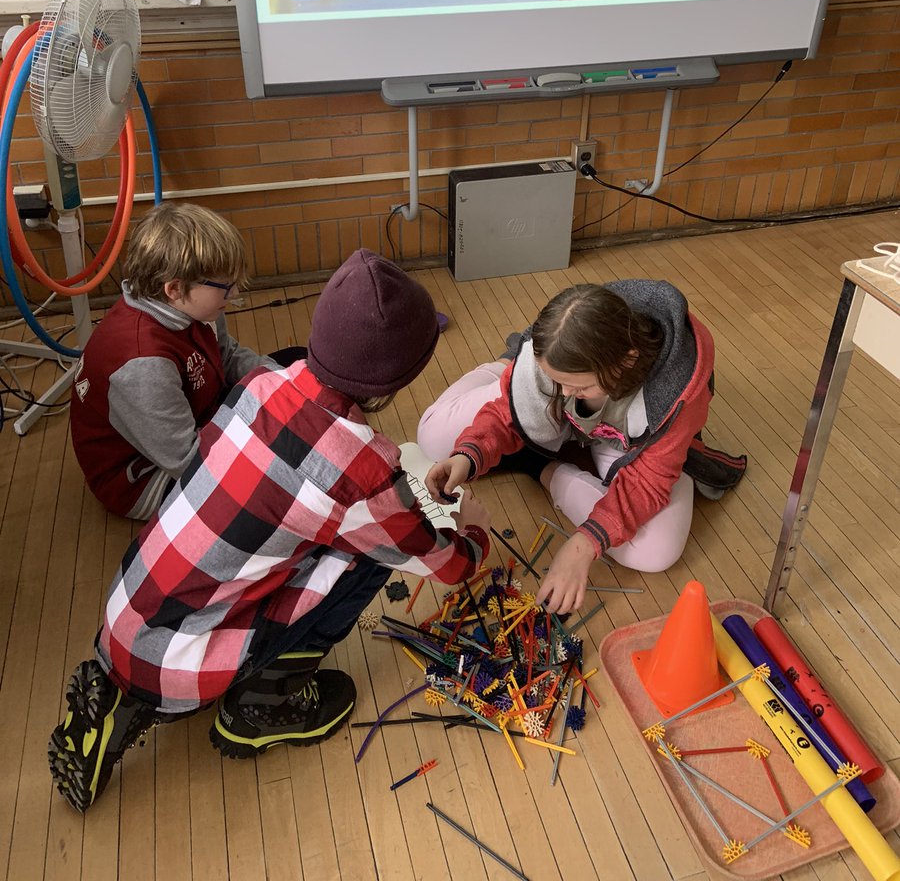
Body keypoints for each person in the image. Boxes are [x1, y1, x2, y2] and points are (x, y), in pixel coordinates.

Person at [49, 249, 491, 814]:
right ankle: (260, 704)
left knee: (322, 529)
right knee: (371, 554)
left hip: (126, 617)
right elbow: (446, 567)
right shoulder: (364, 471)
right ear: (397, 378)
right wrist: (471, 533)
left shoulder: (263, 384)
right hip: (186, 657)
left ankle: (127, 694)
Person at [419, 279, 745, 615]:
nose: (561, 391)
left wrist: (583, 544)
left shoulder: (674, 396)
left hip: (625, 442)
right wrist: (468, 454)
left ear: (626, 361)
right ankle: (506, 370)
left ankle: (538, 464)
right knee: (433, 439)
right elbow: (510, 411)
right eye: (555, 381)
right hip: (566, 411)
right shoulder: (557, 365)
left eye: (578, 386)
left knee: (656, 551)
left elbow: (647, 483)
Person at [70, 201, 300, 520]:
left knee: (296, 364)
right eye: (226, 287)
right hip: (148, 478)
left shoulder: (194, 307)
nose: (233, 295)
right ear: (175, 289)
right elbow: (188, 461)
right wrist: (267, 434)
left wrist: (286, 385)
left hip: (198, 415)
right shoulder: (142, 365)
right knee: (277, 487)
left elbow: (227, 355)